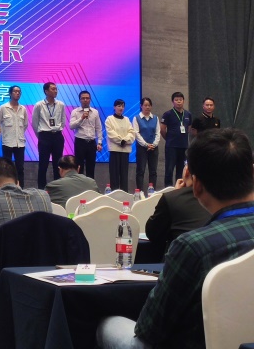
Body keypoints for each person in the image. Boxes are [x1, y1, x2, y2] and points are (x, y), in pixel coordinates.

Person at [97, 128, 254, 348]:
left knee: (107, 325)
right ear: (252, 173)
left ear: (196, 186)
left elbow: (149, 330)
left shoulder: (193, 247)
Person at [145, 165, 210, 251]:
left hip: (180, 256)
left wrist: (176, 194)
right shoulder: (217, 200)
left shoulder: (171, 198)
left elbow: (153, 234)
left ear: (186, 171)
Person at [32, 82, 67, 189]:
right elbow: (35, 123)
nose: (55, 91)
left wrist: (56, 130)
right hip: (44, 136)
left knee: (58, 164)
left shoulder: (60, 104)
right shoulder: (39, 105)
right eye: (53, 89)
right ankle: (41, 189)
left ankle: (57, 188)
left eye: (56, 89)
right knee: (43, 164)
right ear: (46, 91)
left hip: (57, 136)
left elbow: (63, 121)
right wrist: (41, 137)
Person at [0, 86, 28, 187]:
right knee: (6, 168)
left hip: (20, 143)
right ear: (10, 93)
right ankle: (7, 188)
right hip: (7, 142)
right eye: (15, 91)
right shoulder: (3, 108)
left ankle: (20, 189)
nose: (17, 93)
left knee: (20, 168)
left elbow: (25, 124)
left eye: (19, 92)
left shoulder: (23, 109)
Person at [160, 91, 192, 187]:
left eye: (180, 100)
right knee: (169, 169)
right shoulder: (168, 114)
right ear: (172, 102)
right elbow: (162, 129)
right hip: (171, 146)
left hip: (184, 146)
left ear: (183, 101)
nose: (178, 102)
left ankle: (180, 189)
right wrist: (169, 139)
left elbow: (189, 128)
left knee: (181, 170)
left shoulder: (188, 114)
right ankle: (168, 189)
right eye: (176, 100)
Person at [69, 90, 103, 179]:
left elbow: (98, 128)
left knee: (91, 167)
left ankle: (90, 186)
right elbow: (71, 126)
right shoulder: (75, 112)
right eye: (83, 98)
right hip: (80, 141)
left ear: (90, 100)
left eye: (87, 98)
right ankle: (79, 185)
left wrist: (99, 142)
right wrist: (82, 118)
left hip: (91, 142)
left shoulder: (95, 112)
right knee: (79, 167)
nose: (85, 100)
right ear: (79, 100)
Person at [105, 99, 135, 192]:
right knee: (114, 175)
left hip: (125, 151)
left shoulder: (127, 119)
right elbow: (110, 133)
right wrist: (120, 141)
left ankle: (124, 195)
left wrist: (125, 140)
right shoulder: (109, 119)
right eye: (119, 106)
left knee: (124, 175)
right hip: (114, 150)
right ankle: (114, 195)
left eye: (122, 106)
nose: (121, 108)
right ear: (114, 107)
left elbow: (131, 132)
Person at [132, 97, 160, 194]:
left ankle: (152, 191)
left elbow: (157, 133)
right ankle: (140, 192)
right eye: (145, 105)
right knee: (140, 170)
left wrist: (154, 144)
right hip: (141, 148)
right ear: (141, 106)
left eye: (149, 105)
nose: (147, 107)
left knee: (153, 171)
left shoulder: (155, 118)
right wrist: (145, 144)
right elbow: (136, 133)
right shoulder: (136, 118)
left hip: (153, 148)